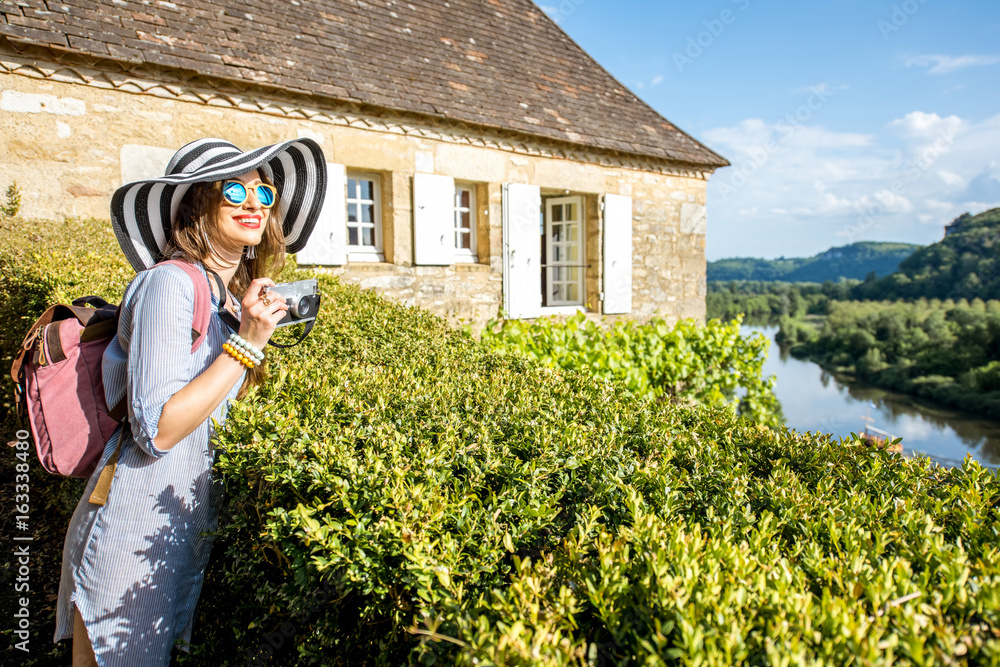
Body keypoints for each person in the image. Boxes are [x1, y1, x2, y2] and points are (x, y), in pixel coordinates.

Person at [54, 137, 328, 666]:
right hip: (132, 527)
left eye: (264, 193)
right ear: (197, 204)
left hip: (174, 529)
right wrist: (247, 341)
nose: (254, 204)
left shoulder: (224, 295)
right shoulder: (168, 286)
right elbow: (158, 427)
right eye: (234, 190)